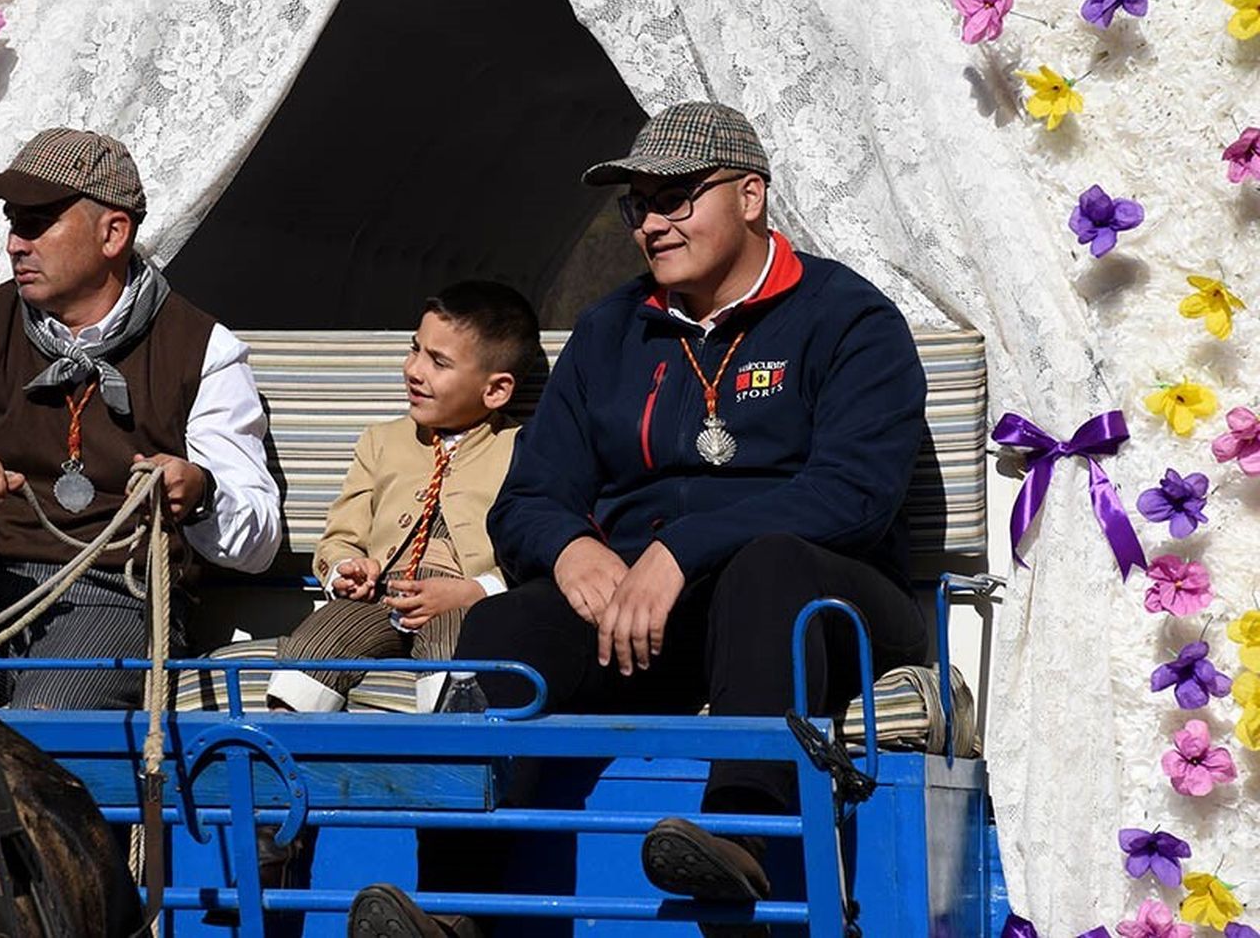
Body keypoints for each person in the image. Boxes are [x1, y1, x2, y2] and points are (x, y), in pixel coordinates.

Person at [348, 102, 930, 937]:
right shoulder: (611, 330)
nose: (652, 223)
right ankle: (456, 905)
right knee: (509, 619)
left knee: (771, 567)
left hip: (820, 611)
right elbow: (529, 499)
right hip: (645, 615)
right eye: (638, 206)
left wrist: (681, 548)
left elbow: (855, 493)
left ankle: (736, 835)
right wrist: (574, 544)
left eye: (678, 198)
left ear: (752, 195)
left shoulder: (848, 318)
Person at [0, 127, 281, 709]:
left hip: (115, 595)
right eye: (13, 223)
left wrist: (202, 494)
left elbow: (258, 541)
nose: (15, 243)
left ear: (113, 233)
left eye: (36, 223)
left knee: (50, 715)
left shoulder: (204, 350)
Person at [265, 281, 539, 715]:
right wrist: (345, 569)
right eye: (415, 350)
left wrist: (473, 591)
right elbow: (339, 537)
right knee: (318, 640)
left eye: (439, 362)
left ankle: (447, 760)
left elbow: (535, 556)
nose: (414, 369)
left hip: (463, 601)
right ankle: (289, 753)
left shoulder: (524, 449)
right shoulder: (382, 442)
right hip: (382, 593)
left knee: (456, 653)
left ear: (496, 390)